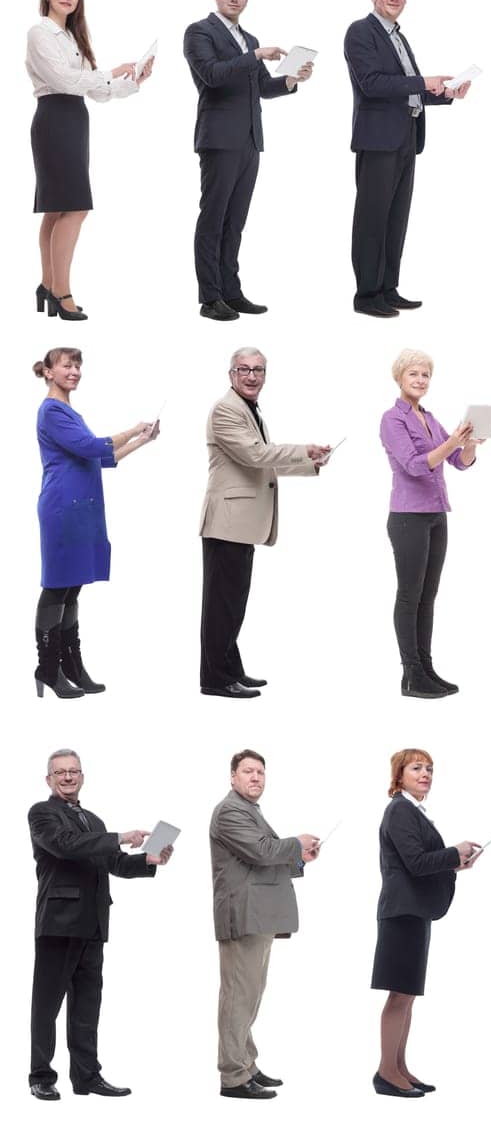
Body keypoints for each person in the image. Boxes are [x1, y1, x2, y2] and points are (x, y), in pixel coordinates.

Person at [29, 749, 171, 1101]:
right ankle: (41, 1076)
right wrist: (119, 835)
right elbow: (64, 846)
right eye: (59, 772)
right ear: (48, 779)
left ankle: (87, 1076)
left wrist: (149, 860)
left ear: (82, 776)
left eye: (73, 771)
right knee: (47, 1005)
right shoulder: (42, 813)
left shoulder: (93, 819)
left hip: (93, 924)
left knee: (87, 1005)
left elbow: (115, 863)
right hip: (58, 923)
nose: (67, 777)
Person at [199, 347, 330, 699]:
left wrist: (310, 463)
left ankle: (230, 669)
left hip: (242, 524)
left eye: (259, 370)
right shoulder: (226, 409)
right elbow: (256, 455)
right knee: (221, 606)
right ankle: (215, 679)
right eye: (244, 369)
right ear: (231, 375)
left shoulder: (248, 409)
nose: (252, 376)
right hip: (227, 522)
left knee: (233, 603)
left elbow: (259, 461)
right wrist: (304, 449)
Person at [183, 0, 312, 322]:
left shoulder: (249, 38)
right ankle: (210, 298)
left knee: (235, 221)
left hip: (250, 140)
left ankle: (231, 291)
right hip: (219, 138)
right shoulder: (199, 32)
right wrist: (255, 55)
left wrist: (290, 79)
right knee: (213, 219)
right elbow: (212, 74)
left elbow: (263, 89)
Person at [27, 0, 152, 322]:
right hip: (54, 119)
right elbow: (63, 80)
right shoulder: (40, 32)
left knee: (58, 208)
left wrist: (133, 80)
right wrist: (112, 71)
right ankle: (60, 292)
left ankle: (48, 285)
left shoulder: (72, 37)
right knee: (75, 207)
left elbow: (96, 91)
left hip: (75, 119)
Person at [33, 347, 158, 699]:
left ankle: (71, 664)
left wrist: (141, 441)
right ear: (48, 372)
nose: (74, 371)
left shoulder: (70, 411)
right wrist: (133, 426)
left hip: (82, 508)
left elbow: (100, 458)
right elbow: (90, 447)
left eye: (77, 365)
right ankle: (48, 666)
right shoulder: (52, 411)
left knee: (74, 585)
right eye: (66, 365)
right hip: (62, 508)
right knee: (58, 585)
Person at [345, 0, 470, 318]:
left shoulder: (398, 36)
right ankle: (367, 296)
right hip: (378, 140)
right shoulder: (360, 32)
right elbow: (373, 84)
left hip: (405, 139)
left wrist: (445, 94)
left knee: (395, 219)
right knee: (372, 219)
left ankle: (388, 288)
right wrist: (422, 80)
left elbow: (407, 89)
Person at [210, 748, 321, 1100]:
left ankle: (247, 1064)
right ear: (232, 777)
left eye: (260, 772)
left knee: (250, 995)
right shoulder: (230, 811)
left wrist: (299, 858)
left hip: (261, 915)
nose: (255, 777)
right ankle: (233, 1077)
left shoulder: (248, 811)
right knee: (238, 997)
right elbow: (261, 851)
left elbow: (264, 857)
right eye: (247, 771)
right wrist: (294, 844)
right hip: (244, 915)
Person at [372, 749, 479, 1098]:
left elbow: (418, 862)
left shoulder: (412, 811)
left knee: (408, 995)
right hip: (402, 912)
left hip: (414, 911)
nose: (426, 774)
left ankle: (399, 1067)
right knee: (399, 994)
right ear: (399, 774)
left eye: (430, 769)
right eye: (417, 767)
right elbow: (416, 863)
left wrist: (454, 863)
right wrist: (454, 852)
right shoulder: (400, 810)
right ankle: (387, 1072)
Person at [380, 349, 481, 700]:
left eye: (425, 375)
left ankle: (426, 667)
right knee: (409, 595)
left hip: (437, 514)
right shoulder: (392, 419)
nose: (420, 380)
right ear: (400, 378)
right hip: (408, 516)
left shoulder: (430, 417)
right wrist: (452, 441)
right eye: (414, 374)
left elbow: (458, 462)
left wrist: (468, 444)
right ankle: (410, 674)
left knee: (429, 595)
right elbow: (414, 465)